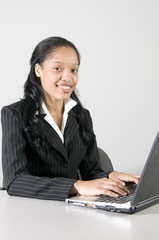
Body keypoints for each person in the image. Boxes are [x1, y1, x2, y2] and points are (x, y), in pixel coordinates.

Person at [1, 37, 140, 201]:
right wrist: (76, 185)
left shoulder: (81, 115)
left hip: (74, 208)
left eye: (74, 70)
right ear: (38, 70)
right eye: (58, 68)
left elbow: (91, 172)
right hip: (32, 210)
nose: (67, 77)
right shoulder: (15, 114)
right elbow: (15, 181)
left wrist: (111, 176)